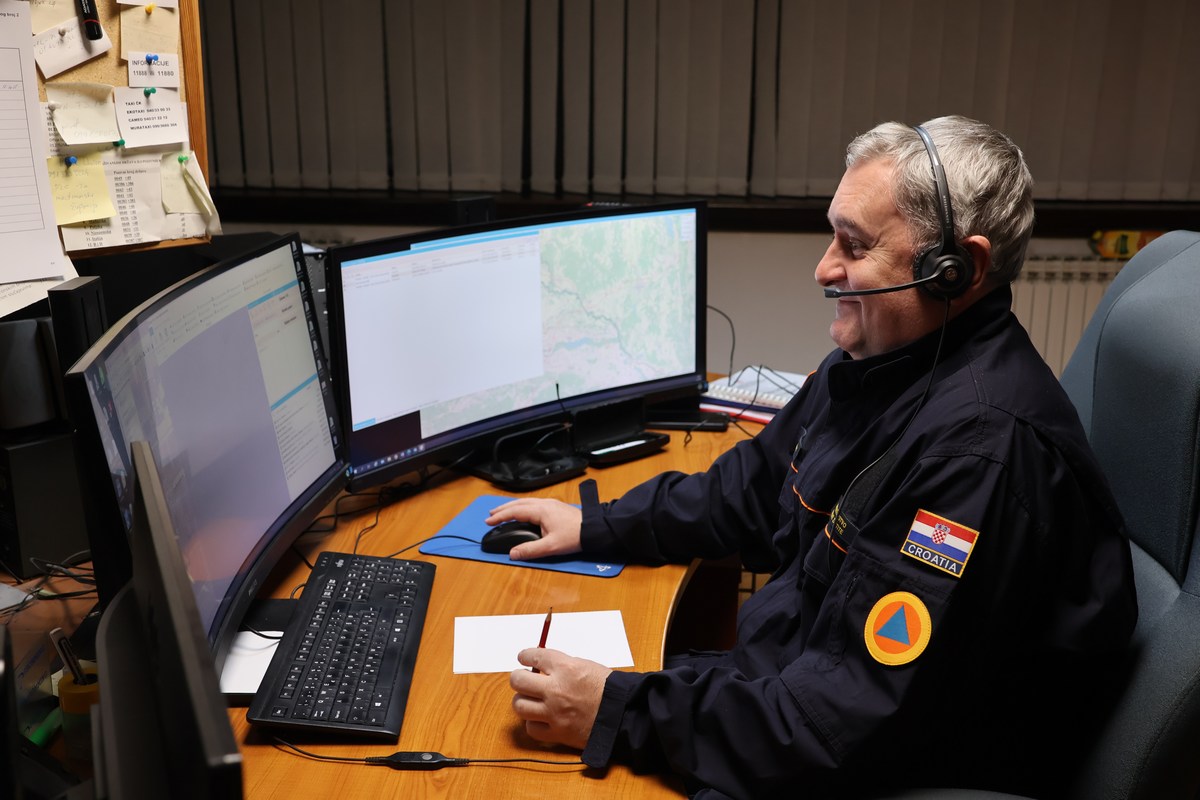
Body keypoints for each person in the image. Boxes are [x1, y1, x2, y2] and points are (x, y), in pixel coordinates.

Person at [487, 116, 1138, 799]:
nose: (824, 269)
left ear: (956, 271)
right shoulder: (884, 364)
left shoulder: (975, 456)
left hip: (871, 765)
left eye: (854, 246)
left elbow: (834, 728)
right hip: (791, 693)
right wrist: (599, 524)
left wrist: (619, 710)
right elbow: (751, 488)